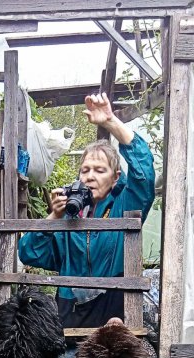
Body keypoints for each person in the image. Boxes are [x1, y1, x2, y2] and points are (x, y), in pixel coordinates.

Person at [18, 92, 156, 331]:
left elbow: (143, 172)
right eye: (85, 170)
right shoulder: (70, 215)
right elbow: (30, 253)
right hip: (69, 318)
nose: (90, 176)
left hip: (113, 316)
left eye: (100, 170)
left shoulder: (124, 203)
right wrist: (54, 218)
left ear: (115, 178)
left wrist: (110, 121)